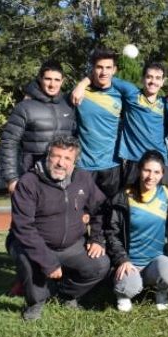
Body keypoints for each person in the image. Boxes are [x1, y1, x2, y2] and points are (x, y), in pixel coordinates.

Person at [9, 136, 110, 321]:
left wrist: (96, 238)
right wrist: (48, 261)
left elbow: (100, 209)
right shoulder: (29, 182)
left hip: (72, 245)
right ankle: (35, 302)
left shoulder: (83, 178)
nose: (60, 163)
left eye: (67, 158)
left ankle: (65, 294)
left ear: (74, 162)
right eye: (56, 156)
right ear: (48, 156)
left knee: (100, 265)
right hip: (35, 245)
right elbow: (23, 227)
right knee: (27, 258)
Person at [105, 151, 168, 312]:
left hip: (155, 260)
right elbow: (112, 233)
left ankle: (160, 291)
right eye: (147, 170)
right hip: (129, 262)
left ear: (162, 174)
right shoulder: (123, 197)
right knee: (129, 288)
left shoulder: (167, 194)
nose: (150, 176)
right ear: (139, 170)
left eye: (156, 172)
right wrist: (122, 259)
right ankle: (123, 294)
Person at [0, 60, 75, 195]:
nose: (52, 84)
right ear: (40, 78)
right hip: (31, 175)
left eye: (57, 80)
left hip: (61, 176)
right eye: (48, 79)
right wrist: (11, 178)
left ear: (62, 81)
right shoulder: (24, 107)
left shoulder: (69, 105)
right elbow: (8, 142)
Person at [73, 47, 125, 197]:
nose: (104, 72)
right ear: (93, 69)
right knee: (81, 216)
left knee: (111, 216)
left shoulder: (121, 95)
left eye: (108, 67)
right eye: (99, 67)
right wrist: (82, 84)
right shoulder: (79, 93)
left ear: (114, 70)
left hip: (112, 167)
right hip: (84, 166)